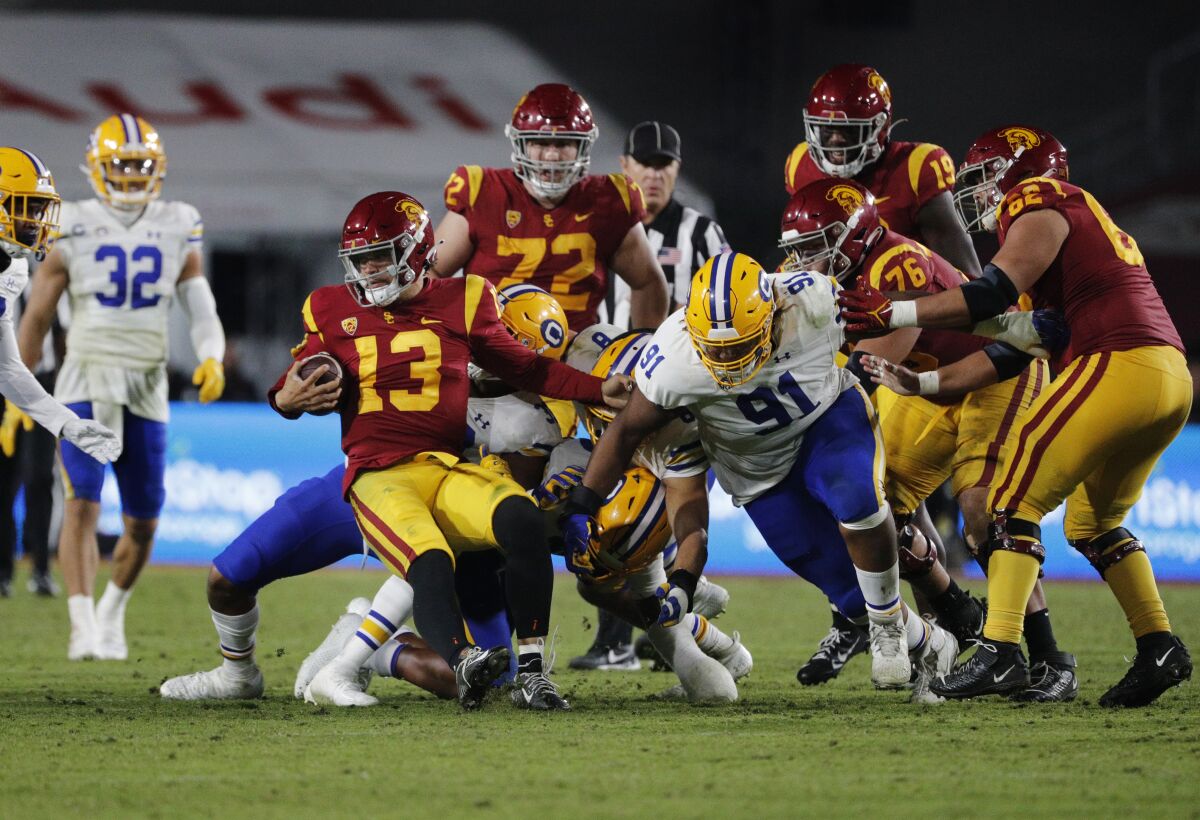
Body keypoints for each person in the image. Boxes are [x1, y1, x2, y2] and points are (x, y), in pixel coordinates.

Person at [839, 125, 1192, 707]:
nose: (976, 194)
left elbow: (987, 294)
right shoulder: (1074, 242)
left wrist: (893, 309)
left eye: (982, 179)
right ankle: (1159, 644)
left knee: (1006, 503)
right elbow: (1009, 348)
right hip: (1165, 376)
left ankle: (1001, 650)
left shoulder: (1040, 199)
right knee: (1090, 524)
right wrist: (923, 381)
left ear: (1017, 173)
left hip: (1117, 361)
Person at [268, 191, 629, 711]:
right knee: (430, 558)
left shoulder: (463, 298)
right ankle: (464, 661)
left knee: (521, 519)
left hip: (444, 465)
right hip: (378, 473)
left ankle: (532, 672)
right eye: (360, 260)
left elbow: (526, 368)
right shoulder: (328, 307)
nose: (368, 272)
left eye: (380, 256)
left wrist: (598, 389)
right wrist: (285, 397)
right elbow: (293, 383)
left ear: (415, 251)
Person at [562, 252, 958, 702]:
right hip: (758, 472)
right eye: (718, 349)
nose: (729, 361)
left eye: (739, 346)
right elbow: (627, 428)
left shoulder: (811, 300)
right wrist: (582, 503)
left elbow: (903, 314)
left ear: (771, 314)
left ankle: (889, 624)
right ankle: (934, 644)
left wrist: (864, 369)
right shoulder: (673, 357)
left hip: (825, 421)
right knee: (849, 597)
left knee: (855, 498)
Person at [780, 177, 1077, 701]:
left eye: (815, 245)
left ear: (851, 236)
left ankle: (1046, 656)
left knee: (983, 509)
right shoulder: (815, 274)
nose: (804, 260)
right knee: (871, 507)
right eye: (798, 249)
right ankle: (959, 612)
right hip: (920, 385)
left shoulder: (896, 266)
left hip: (994, 374)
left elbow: (868, 364)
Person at [20, 116, 224, 661]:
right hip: (84, 376)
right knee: (81, 503)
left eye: (140, 164)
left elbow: (197, 297)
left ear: (157, 167)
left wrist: (212, 357)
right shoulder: (73, 223)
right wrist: (18, 395)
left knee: (144, 518)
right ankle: (81, 623)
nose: (132, 175)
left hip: (148, 384)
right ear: (96, 165)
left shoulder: (178, 220)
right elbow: (37, 317)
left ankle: (111, 614)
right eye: (122, 164)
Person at [432, 83, 669, 332]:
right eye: (542, 143)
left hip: (576, 346)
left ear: (583, 146)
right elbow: (432, 274)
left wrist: (644, 348)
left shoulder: (609, 200)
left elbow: (647, 282)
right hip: (493, 345)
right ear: (520, 144)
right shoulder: (483, 192)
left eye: (564, 143)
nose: (552, 156)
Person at [0, 148, 121, 601]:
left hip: (41, 386)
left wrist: (65, 422)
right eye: (24, 205)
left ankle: (30, 570)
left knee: (33, 480)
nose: (35, 219)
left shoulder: (11, 268)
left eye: (38, 207)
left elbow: (8, 366)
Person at [784, 63, 981, 278]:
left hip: (901, 293)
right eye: (827, 129)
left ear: (881, 126)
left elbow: (966, 277)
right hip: (833, 290)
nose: (836, 140)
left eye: (849, 131)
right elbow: (804, 251)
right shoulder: (800, 165)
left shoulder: (914, 168)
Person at [600, 120, 730, 325]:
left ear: (677, 167)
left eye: (664, 164)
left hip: (676, 355)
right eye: (645, 163)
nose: (655, 175)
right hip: (606, 354)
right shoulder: (600, 230)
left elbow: (732, 299)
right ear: (624, 165)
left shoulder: (703, 233)